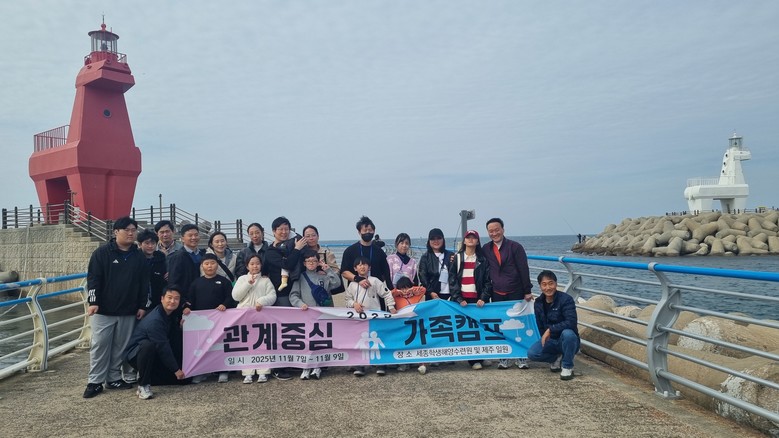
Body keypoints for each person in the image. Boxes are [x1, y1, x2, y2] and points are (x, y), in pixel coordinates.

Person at [83, 216, 149, 399]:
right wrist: (93, 302)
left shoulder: (138, 256)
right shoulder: (102, 253)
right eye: (126, 230)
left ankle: (113, 378)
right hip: (104, 310)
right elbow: (93, 279)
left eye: (133, 230)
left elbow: (144, 283)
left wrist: (142, 305)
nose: (130, 233)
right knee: (99, 345)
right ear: (116, 232)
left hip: (129, 310)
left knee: (121, 347)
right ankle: (95, 381)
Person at [482, 217, 533, 370]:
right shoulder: (486, 248)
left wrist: (527, 290)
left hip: (516, 291)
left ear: (503, 229)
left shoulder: (515, 247)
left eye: (497, 230)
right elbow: (473, 257)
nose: (494, 233)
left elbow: (523, 268)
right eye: (491, 231)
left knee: (519, 323)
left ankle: (521, 356)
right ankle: (504, 357)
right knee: (501, 324)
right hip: (497, 292)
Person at [124, 287, 187, 400]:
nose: (172, 301)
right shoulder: (155, 320)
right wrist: (176, 370)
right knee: (148, 346)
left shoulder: (171, 314)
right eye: (169, 297)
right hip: (137, 354)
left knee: (184, 381)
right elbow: (163, 347)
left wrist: (181, 328)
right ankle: (143, 385)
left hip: (155, 355)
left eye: (176, 298)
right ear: (162, 299)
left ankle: (147, 374)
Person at [289, 249, 342, 380]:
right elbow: (293, 295)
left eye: (314, 260)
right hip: (306, 314)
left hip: (322, 314)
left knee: (320, 340)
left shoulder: (323, 276)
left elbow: (337, 283)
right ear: (304, 263)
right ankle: (306, 367)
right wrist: (300, 304)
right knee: (307, 341)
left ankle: (317, 367)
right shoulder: (300, 277)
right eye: (308, 261)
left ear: (318, 262)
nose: (311, 263)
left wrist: (328, 270)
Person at [184, 253, 235, 383]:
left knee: (221, 345)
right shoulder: (196, 283)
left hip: (220, 321)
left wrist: (224, 304)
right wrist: (187, 308)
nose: (210, 266)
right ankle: (202, 371)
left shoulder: (224, 281)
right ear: (202, 266)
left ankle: (223, 370)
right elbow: (190, 300)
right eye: (206, 264)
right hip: (202, 323)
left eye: (212, 263)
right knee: (202, 346)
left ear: (217, 265)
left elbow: (231, 298)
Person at [344, 256, 396, 377]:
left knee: (377, 339)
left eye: (365, 264)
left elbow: (387, 294)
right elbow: (347, 299)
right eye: (359, 265)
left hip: (375, 316)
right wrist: (354, 304)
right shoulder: (352, 285)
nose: (362, 267)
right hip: (359, 317)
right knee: (360, 341)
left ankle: (380, 364)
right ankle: (360, 365)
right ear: (355, 269)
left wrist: (391, 307)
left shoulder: (375, 280)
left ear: (369, 267)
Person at [449, 230, 493, 370]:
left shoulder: (482, 259)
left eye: (474, 238)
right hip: (463, 301)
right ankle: (473, 360)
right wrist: (458, 298)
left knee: (480, 328)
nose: (471, 240)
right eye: (468, 237)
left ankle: (481, 356)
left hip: (477, 300)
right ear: (464, 241)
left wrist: (483, 297)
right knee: (467, 330)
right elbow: (452, 279)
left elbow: (487, 281)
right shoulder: (457, 258)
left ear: (478, 241)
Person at [232, 254, 278, 383]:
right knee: (246, 344)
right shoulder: (242, 279)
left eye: (257, 263)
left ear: (261, 265)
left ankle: (263, 372)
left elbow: (272, 296)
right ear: (247, 266)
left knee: (263, 343)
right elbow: (236, 296)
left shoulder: (265, 280)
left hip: (261, 316)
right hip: (244, 316)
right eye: (252, 264)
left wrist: (262, 301)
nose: (255, 266)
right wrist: (248, 284)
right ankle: (248, 372)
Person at [527, 270, 579, 380]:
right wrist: (545, 338)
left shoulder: (566, 299)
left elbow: (571, 322)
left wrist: (550, 330)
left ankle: (567, 366)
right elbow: (540, 325)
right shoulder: (538, 302)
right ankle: (556, 358)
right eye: (544, 284)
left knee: (568, 334)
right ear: (540, 286)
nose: (548, 288)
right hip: (551, 340)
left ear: (556, 284)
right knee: (532, 353)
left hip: (565, 339)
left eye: (551, 283)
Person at [340, 216, 393, 291]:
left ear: (374, 231)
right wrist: (358, 279)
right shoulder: (350, 251)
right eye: (365, 230)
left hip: (376, 290)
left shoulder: (380, 252)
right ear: (359, 232)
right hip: (356, 290)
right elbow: (344, 272)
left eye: (370, 230)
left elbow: (386, 272)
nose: (368, 232)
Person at [264, 217, 307, 304]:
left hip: (300, 290)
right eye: (280, 229)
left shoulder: (295, 245)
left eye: (286, 229)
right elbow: (287, 265)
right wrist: (297, 249)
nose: (284, 232)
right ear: (274, 231)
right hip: (282, 293)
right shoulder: (270, 251)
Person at [167, 224, 204, 296]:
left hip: (201, 295)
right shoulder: (178, 256)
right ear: (183, 239)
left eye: (196, 235)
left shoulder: (203, 254)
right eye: (190, 235)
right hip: (186, 297)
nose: (194, 238)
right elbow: (173, 281)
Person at [418, 228, 454, 301]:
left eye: (439, 238)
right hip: (433, 294)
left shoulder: (451, 255)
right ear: (429, 241)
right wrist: (430, 292)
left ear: (443, 240)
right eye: (433, 239)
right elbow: (423, 277)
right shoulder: (425, 257)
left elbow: (456, 275)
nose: (436, 241)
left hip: (450, 294)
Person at [136, 229, 168, 311]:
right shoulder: (135, 258)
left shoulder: (161, 258)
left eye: (153, 243)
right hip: (137, 303)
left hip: (157, 303)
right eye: (147, 243)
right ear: (140, 244)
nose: (150, 246)